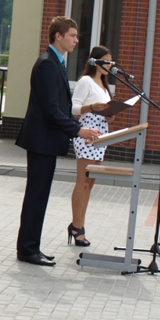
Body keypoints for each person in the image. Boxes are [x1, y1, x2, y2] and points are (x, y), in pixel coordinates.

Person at [15, 16, 101, 267]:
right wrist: (78, 130)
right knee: (36, 197)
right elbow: (51, 110)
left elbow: (59, 107)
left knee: (39, 196)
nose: (76, 40)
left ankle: (31, 247)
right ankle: (28, 249)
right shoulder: (47, 64)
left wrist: (77, 126)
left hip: (46, 141)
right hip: (41, 141)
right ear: (58, 36)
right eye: (72, 35)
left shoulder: (56, 63)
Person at [69, 46, 112, 247]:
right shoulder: (86, 81)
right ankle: (77, 227)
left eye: (111, 62)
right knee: (83, 181)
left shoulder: (104, 86)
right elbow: (72, 108)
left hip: (101, 134)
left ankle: (80, 224)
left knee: (91, 182)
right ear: (96, 61)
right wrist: (92, 107)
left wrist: (109, 114)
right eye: (106, 61)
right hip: (86, 132)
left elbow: (105, 111)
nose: (109, 65)